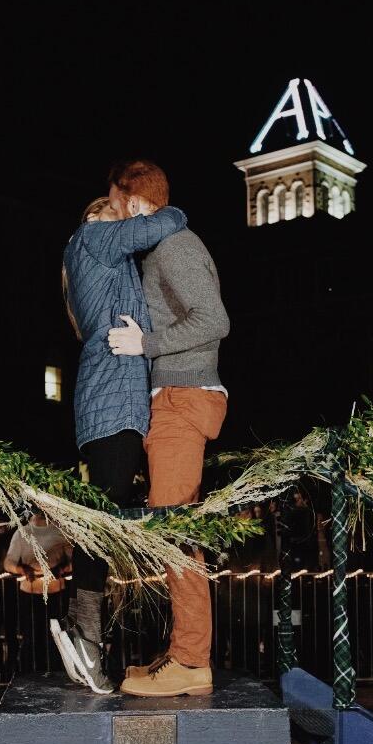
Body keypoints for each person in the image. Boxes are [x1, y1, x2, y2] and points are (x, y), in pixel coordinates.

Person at [107, 159, 229, 698]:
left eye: (117, 208)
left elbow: (214, 319)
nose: (116, 220)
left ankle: (191, 661)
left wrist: (147, 345)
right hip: (173, 397)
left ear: (135, 205)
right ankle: (182, 653)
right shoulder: (164, 249)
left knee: (176, 536)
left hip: (184, 398)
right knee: (173, 531)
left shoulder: (175, 245)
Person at [60, 188, 187, 692]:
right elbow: (164, 223)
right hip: (111, 402)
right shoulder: (92, 238)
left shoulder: (106, 265)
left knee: (105, 512)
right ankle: (86, 635)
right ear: (95, 219)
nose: (121, 219)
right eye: (112, 211)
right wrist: (161, 210)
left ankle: (84, 630)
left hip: (113, 401)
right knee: (105, 514)